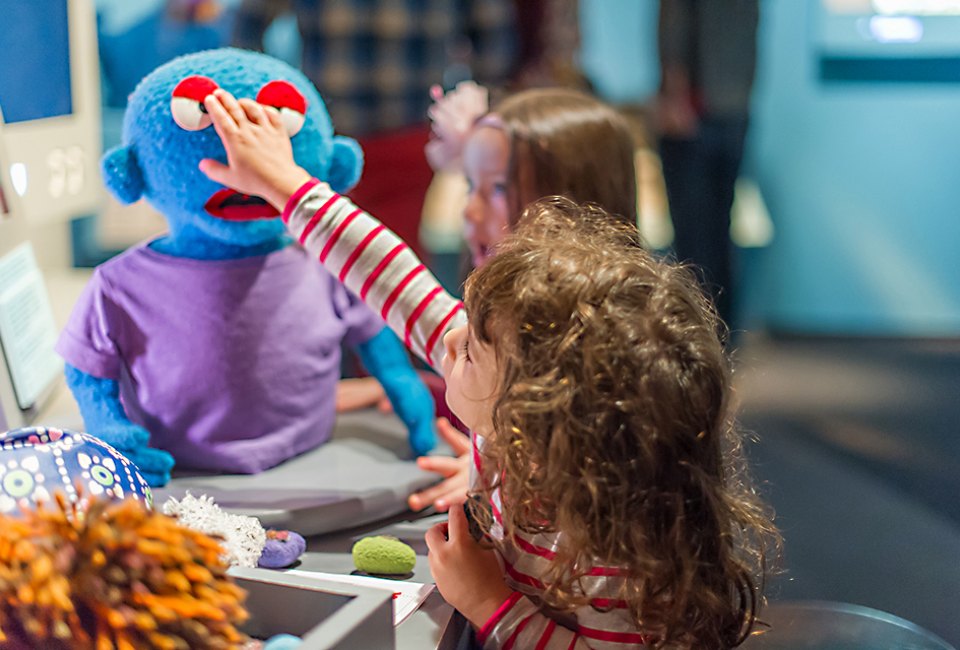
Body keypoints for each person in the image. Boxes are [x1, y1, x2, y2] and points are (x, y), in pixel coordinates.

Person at [198, 88, 780, 648]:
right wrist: (285, 185)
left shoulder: (614, 550)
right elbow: (397, 282)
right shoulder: (539, 374)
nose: (448, 342)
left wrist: (488, 603)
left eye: (470, 347)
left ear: (537, 406)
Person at [357, 82, 642, 511]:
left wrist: (497, 481)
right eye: (470, 185)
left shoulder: (610, 350)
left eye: (497, 190)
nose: (469, 212)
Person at [232, 0, 517, 260]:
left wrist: (268, 99)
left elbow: (247, 27)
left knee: (322, 249)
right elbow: (493, 43)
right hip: (400, 129)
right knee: (395, 255)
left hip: (356, 133)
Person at [655, 0, 760, 328]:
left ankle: (697, 339)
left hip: (696, 114)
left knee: (694, 241)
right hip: (733, 109)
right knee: (719, 233)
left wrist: (675, 100)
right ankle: (722, 340)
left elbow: (675, 30)